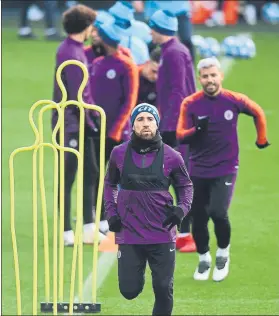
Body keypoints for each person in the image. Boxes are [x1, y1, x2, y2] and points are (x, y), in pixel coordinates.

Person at [176, 57, 270, 282]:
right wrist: (196, 130)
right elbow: (180, 134)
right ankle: (204, 258)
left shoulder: (234, 100)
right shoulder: (190, 103)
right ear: (200, 79)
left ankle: (222, 254)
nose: (210, 80)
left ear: (221, 76)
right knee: (198, 217)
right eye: (205, 76)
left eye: (213, 75)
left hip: (226, 167)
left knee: (218, 212)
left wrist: (261, 139)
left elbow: (258, 112)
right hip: (198, 168)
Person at [104, 103, 193, 316]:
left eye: (150, 119)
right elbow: (109, 185)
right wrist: (111, 213)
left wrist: (181, 209)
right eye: (140, 119)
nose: (146, 124)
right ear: (133, 124)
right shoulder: (118, 153)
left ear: (157, 124)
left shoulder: (172, 156)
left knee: (163, 289)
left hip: (161, 233)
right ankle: (137, 270)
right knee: (129, 290)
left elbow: (185, 187)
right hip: (129, 233)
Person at [52, 4, 106, 246]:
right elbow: (77, 95)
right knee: (69, 175)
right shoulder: (71, 53)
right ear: (85, 27)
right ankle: (65, 230)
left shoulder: (74, 50)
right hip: (70, 123)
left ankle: (87, 226)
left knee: (91, 170)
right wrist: (91, 120)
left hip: (77, 120)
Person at [149, 9, 197, 252]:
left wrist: (168, 125)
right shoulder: (171, 51)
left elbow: (178, 92)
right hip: (174, 123)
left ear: (159, 29)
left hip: (177, 126)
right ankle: (179, 231)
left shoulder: (174, 53)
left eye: (152, 27)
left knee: (178, 178)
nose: (149, 31)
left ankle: (187, 234)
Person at [89, 22, 139, 232]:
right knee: (98, 174)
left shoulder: (126, 65)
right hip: (97, 130)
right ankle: (101, 217)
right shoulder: (98, 63)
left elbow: (130, 101)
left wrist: (116, 130)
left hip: (118, 133)